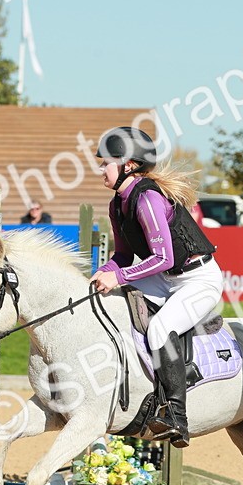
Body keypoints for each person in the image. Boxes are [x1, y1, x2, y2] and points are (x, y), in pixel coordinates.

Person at [89, 126, 223, 448]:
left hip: (199, 279)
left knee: (161, 328)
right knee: (112, 299)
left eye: (106, 163)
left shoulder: (148, 198)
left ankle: (177, 415)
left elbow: (163, 258)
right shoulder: (117, 204)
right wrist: (102, 274)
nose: (101, 170)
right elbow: (123, 256)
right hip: (166, 278)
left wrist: (119, 277)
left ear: (128, 165)